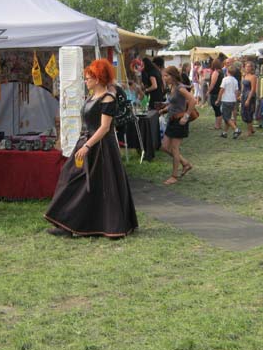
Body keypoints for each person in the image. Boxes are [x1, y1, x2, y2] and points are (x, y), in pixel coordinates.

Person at [45, 59, 138, 238]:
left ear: (97, 79)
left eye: (88, 78)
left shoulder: (108, 98)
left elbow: (104, 128)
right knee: (70, 177)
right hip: (87, 143)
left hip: (101, 147)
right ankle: (67, 223)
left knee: (101, 185)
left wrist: (88, 145)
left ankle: (104, 226)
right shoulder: (92, 97)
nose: (86, 81)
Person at [160, 66, 196, 185]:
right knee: (164, 147)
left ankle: (174, 176)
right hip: (172, 120)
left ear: (173, 76)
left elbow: (193, 100)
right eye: (164, 76)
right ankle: (185, 163)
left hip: (179, 121)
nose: (164, 78)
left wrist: (186, 116)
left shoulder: (180, 88)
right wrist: (163, 110)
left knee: (175, 149)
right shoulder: (173, 87)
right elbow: (174, 103)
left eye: (166, 76)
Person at [215, 65, 242, 139]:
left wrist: (218, 99)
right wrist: (236, 99)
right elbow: (237, 91)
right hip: (233, 100)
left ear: (227, 71)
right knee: (228, 117)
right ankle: (225, 132)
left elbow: (221, 90)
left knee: (226, 117)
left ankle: (236, 129)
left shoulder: (225, 79)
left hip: (226, 100)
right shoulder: (235, 80)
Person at [241, 61, 258, 136]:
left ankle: (249, 131)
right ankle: (251, 129)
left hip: (250, 95)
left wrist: (248, 99)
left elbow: (253, 89)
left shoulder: (253, 77)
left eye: (249, 66)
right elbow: (243, 87)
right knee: (244, 111)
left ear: (252, 68)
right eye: (246, 66)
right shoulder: (244, 75)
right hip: (244, 95)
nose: (247, 68)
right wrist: (241, 95)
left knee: (249, 112)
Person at [207, 59, 224, 130]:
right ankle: (218, 125)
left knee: (216, 109)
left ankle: (217, 125)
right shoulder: (221, 72)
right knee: (218, 109)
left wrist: (208, 91)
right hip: (219, 92)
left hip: (214, 92)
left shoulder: (216, 72)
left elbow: (212, 84)